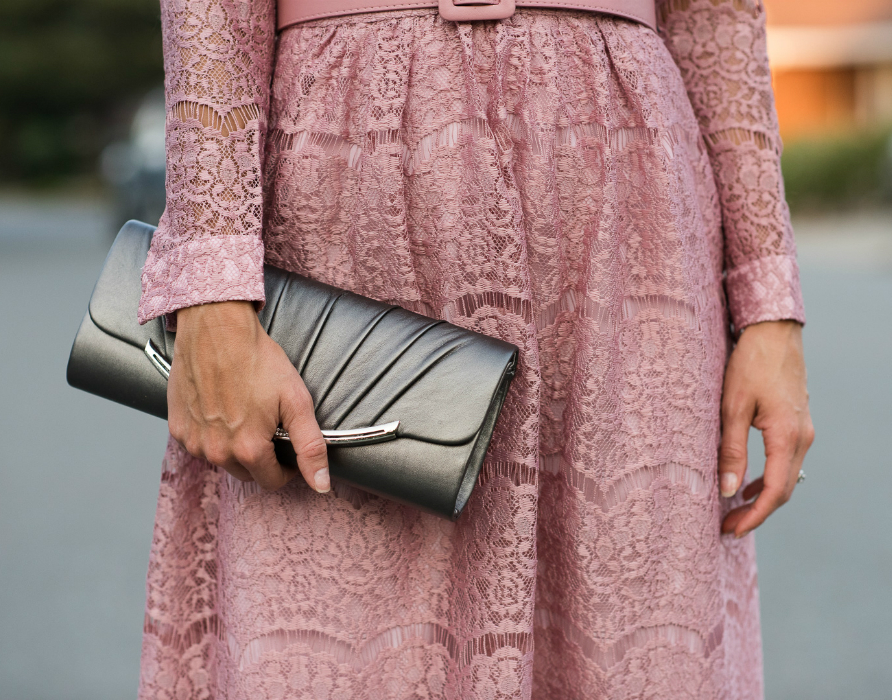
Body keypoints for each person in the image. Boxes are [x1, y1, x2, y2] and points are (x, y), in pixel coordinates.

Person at [135, 0, 815, 696]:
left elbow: (716, 16)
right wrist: (213, 283)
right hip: (342, 188)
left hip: (630, 213)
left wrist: (769, 308)